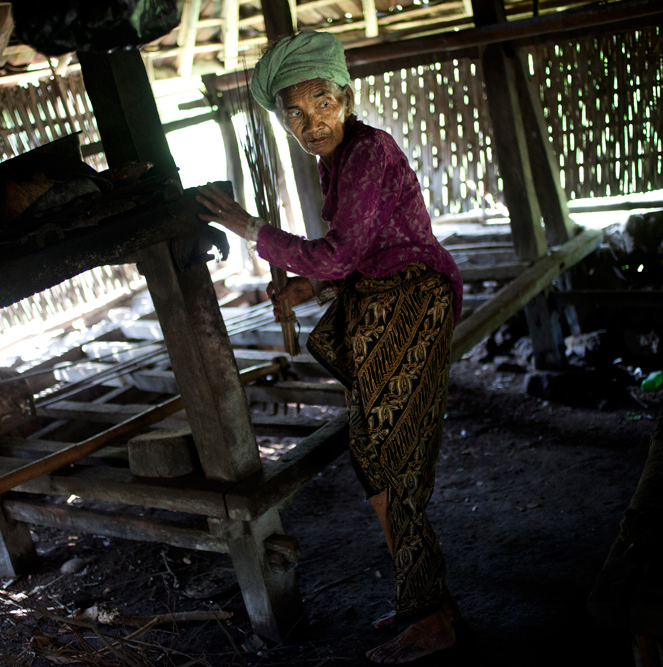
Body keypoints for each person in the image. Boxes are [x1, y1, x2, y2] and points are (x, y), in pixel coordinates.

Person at [196, 30, 464, 664]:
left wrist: (248, 228)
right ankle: (419, 596)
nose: (311, 121)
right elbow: (357, 252)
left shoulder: (369, 151)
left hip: (410, 305)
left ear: (346, 96)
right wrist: (309, 287)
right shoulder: (337, 160)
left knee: (393, 462)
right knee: (374, 456)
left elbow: (345, 253)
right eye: (295, 112)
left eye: (322, 103)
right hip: (381, 302)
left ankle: (436, 618)